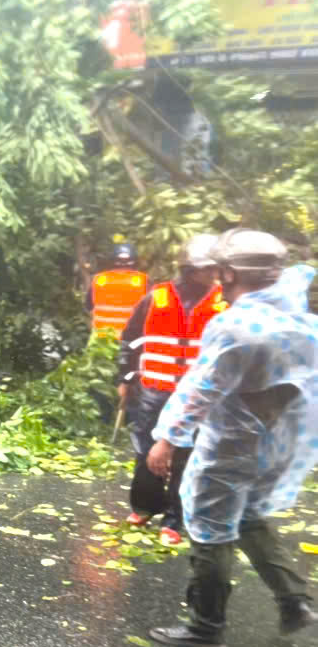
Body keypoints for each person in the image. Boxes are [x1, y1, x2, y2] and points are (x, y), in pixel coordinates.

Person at [146, 228, 318, 647]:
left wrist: (167, 438)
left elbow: (200, 390)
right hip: (280, 444)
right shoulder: (302, 322)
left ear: (226, 273)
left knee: (209, 527)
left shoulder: (236, 326)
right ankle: (296, 601)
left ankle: (206, 627)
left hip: (233, 443)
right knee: (249, 516)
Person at [117, 234, 224, 546]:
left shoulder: (222, 301)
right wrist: (125, 379)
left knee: (186, 457)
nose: (214, 274)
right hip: (153, 390)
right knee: (146, 453)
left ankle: (175, 519)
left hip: (197, 395)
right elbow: (131, 340)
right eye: (208, 269)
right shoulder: (156, 297)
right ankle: (145, 507)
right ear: (189, 269)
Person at [87, 242, 147, 335]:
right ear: (134, 260)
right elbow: (152, 310)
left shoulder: (99, 279)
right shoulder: (143, 281)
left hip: (101, 339)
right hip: (129, 338)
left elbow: (89, 306)